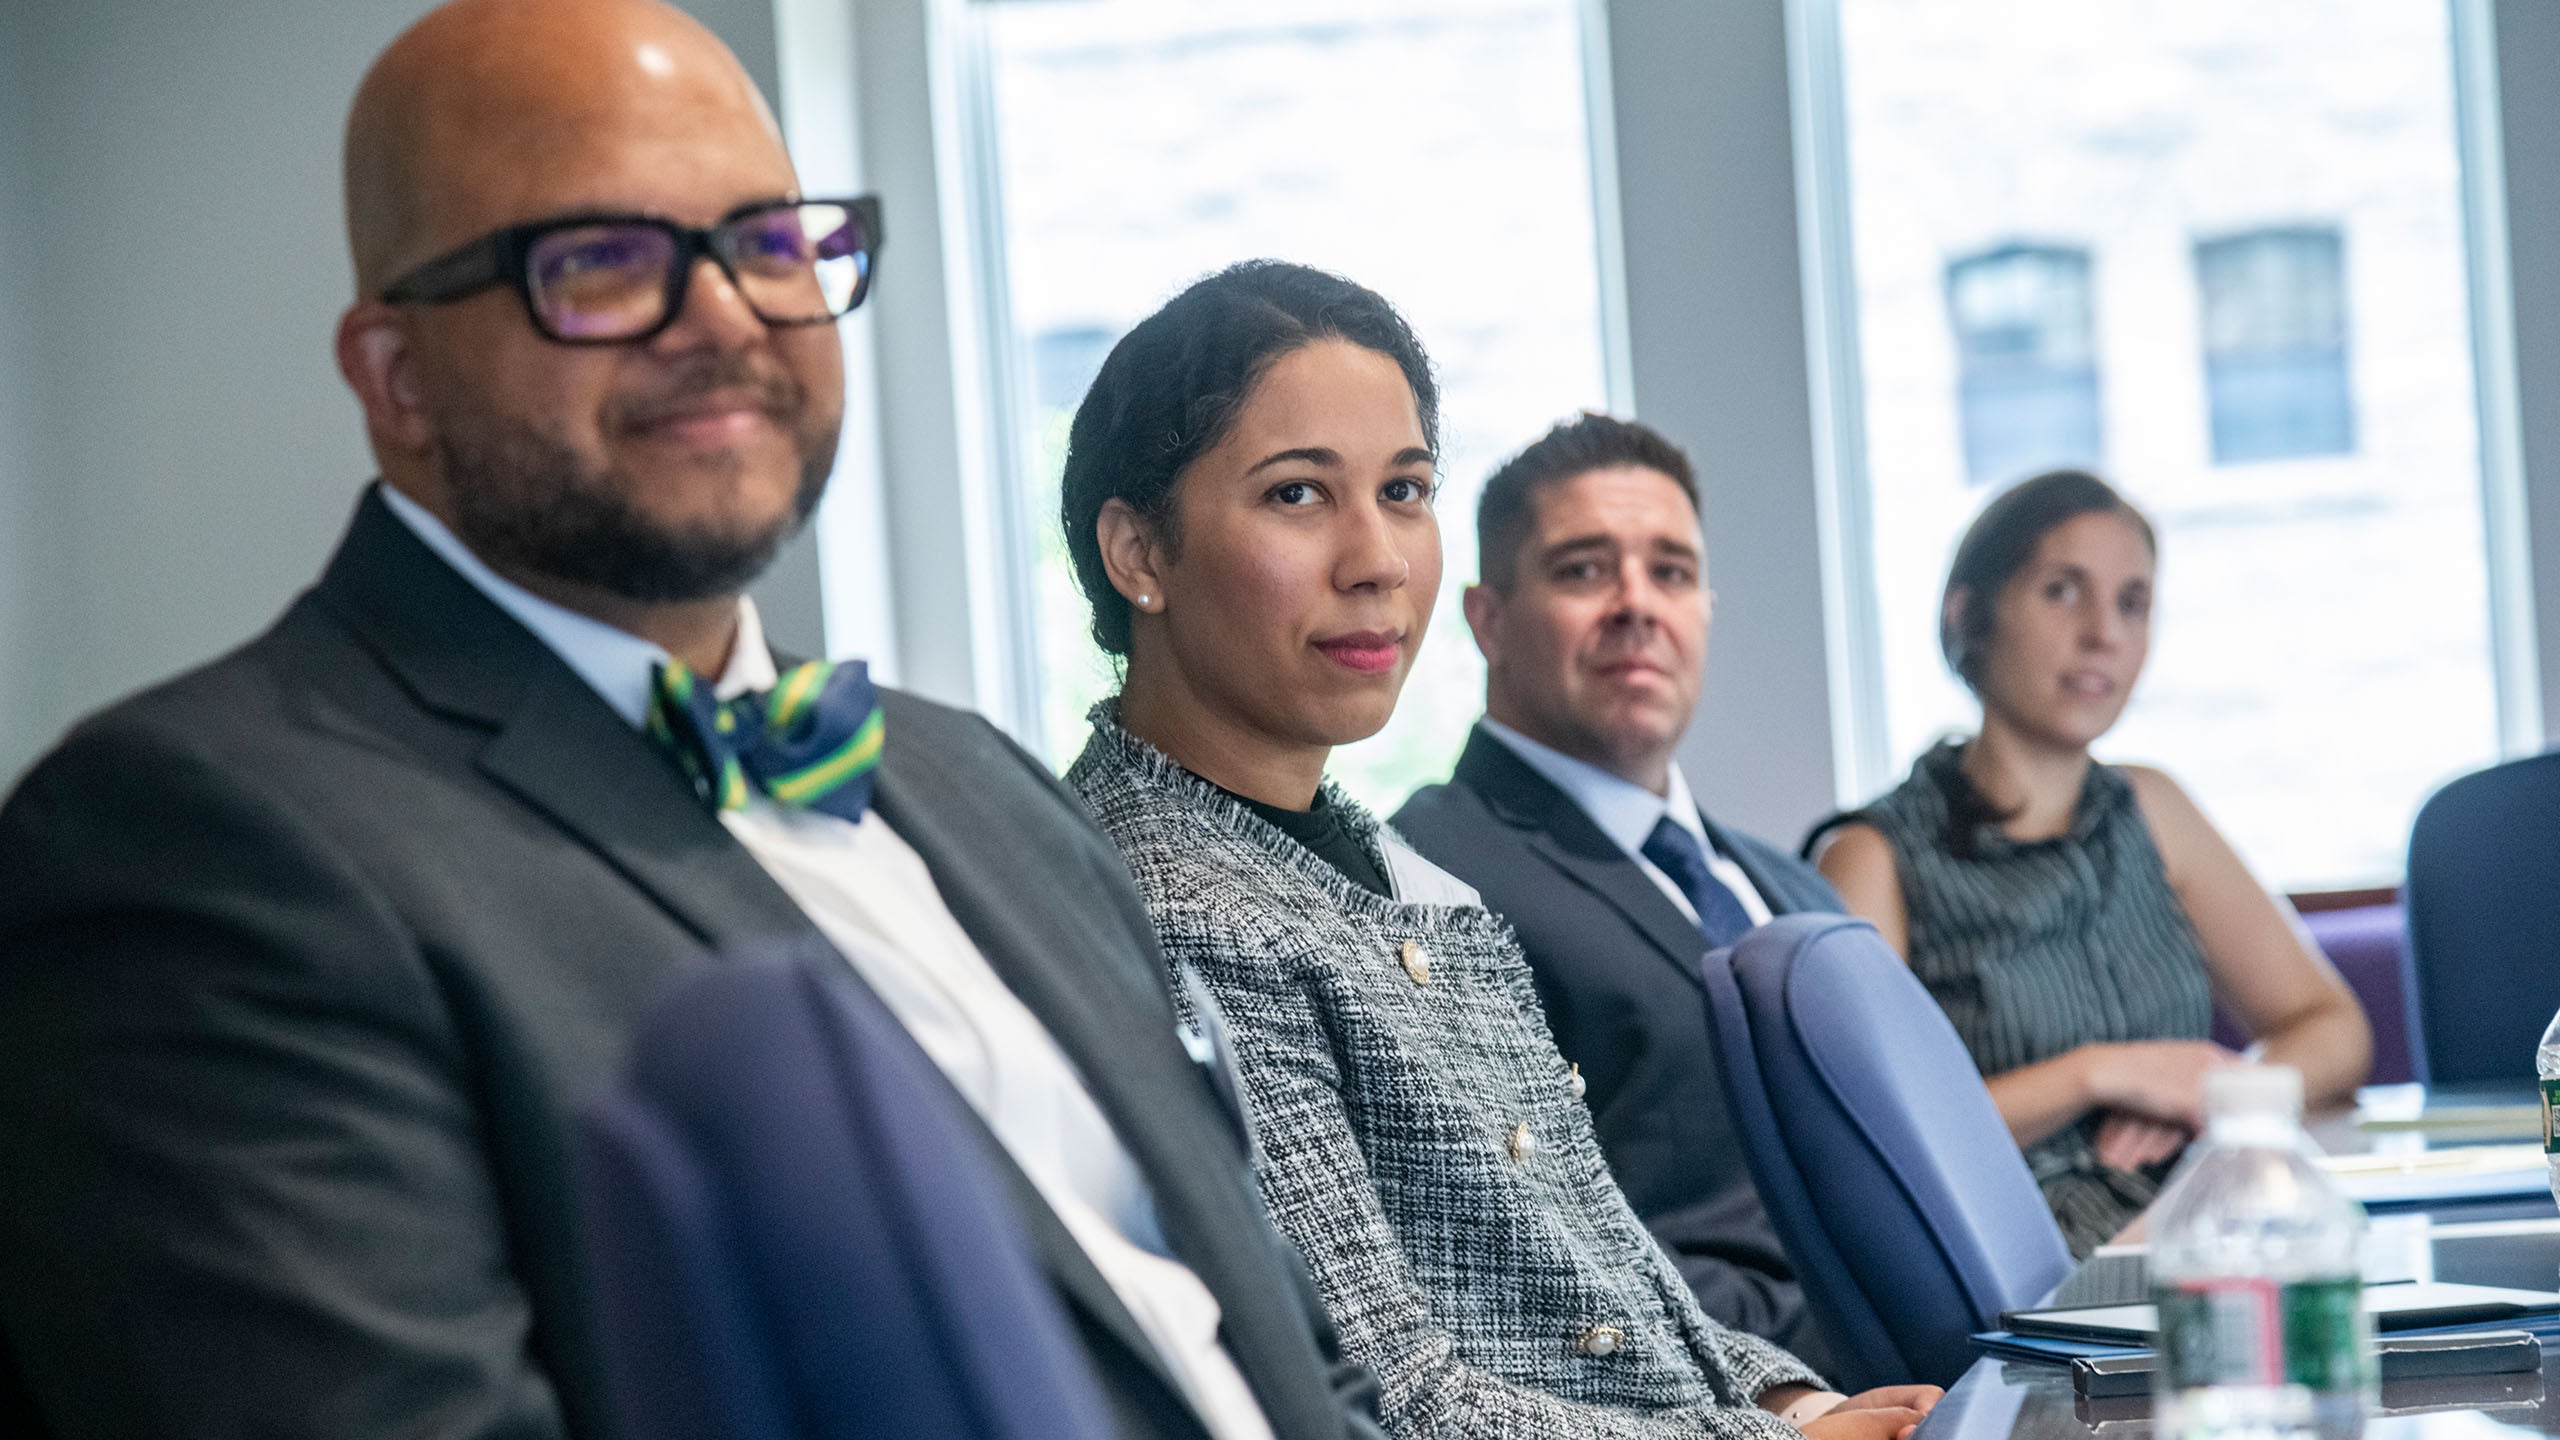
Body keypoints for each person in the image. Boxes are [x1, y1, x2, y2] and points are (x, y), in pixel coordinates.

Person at [0, 6, 1388, 1438]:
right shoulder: (194, 844)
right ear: (397, 381)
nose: (725, 316)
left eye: (773, 246)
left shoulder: (975, 778)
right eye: (601, 261)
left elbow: (1278, 1346)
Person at [1060, 260, 1937, 1440]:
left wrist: (1793, 1393)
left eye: (1405, 490)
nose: (1376, 560)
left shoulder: (1385, 867)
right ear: (1139, 555)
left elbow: (1611, 1272)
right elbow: (1386, 1399)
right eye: (1297, 496)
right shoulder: (1164, 907)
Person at [1807, 469, 2372, 1257]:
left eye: (2132, 602)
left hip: (2208, 1229)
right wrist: (2103, 1074)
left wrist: (2217, 1095)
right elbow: (1862, 1135)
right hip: (2026, 1263)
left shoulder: (2153, 808)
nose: (2104, 631)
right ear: (1969, 615)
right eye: (2064, 591)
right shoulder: (1872, 854)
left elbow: (2332, 1027)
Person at [1392, 413, 1847, 1375]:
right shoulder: (1430, 882)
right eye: (1584, 570)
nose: (1637, 604)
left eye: (1671, 571)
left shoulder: (1793, 886)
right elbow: (1521, 1258)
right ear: (1489, 620)